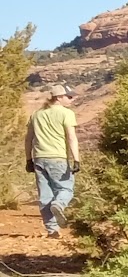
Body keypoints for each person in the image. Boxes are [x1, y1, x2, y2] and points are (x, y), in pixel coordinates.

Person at [25, 83, 80, 238]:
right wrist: (76, 159)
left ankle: (52, 231)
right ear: (59, 98)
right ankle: (59, 204)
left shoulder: (36, 114)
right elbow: (71, 137)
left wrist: (28, 159)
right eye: (69, 96)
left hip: (39, 158)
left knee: (45, 196)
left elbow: (28, 139)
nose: (71, 99)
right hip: (58, 158)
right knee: (65, 189)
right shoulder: (66, 113)